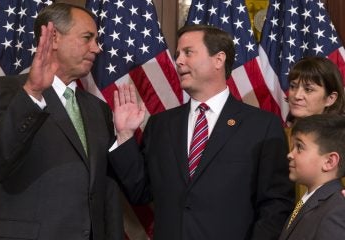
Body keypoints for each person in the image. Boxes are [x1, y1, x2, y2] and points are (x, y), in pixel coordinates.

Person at [110, 24, 294, 240]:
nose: (178, 61)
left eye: (188, 52)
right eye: (178, 54)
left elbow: (276, 204)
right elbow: (140, 192)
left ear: (219, 59)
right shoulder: (161, 125)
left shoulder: (261, 126)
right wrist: (124, 135)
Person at [0, 3, 123, 240]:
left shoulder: (98, 108)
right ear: (54, 37)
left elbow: (105, 188)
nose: (97, 48)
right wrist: (32, 93)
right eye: (88, 38)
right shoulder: (5, 91)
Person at [285, 56, 345, 199]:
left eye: (308, 89)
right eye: (293, 86)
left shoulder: (341, 139)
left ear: (330, 98)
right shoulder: (278, 136)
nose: (297, 95)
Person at [278, 114, 345, 240]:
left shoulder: (337, 210)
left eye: (299, 147)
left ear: (329, 161)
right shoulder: (309, 202)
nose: (290, 155)